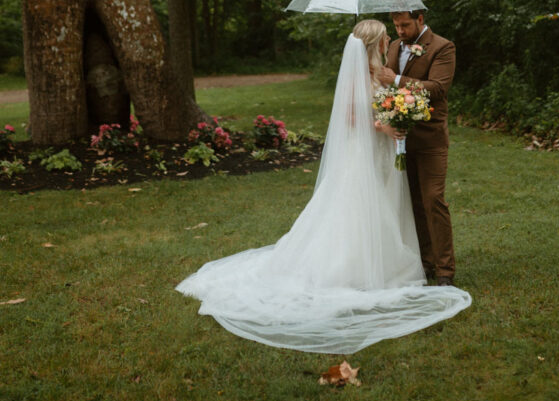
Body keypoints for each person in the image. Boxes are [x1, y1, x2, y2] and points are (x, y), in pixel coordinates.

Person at [176, 20, 471, 354]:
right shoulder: (358, 75)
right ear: (374, 43)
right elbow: (350, 117)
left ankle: (399, 259)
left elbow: (395, 99)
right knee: (357, 207)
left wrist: (396, 115)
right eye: (386, 36)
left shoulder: (381, 70)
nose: (391, 37)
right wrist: (384, 127)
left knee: (384, 207)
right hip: (365, 154)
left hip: (382, 153)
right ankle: (354, 266)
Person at [378, 10, 457, 285]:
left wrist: (396, 80)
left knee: (433, 200)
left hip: (431, 138)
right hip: (399, 139)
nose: (399, 31)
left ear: (420, 18)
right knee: (412, 203)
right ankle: (426, 263)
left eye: (404, 25)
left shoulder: (443, 47)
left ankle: (446, 271)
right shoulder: (394, 46)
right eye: (396, 25)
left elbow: (437, 88)